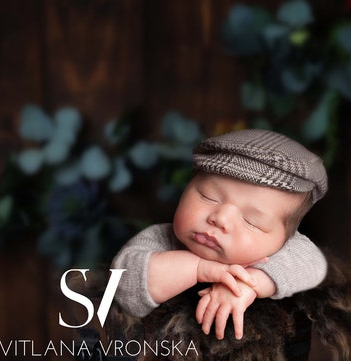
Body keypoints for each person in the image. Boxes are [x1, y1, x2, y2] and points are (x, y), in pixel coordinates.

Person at [111, 129, 328, 340]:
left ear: (284, 239)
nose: (220, 219)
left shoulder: (288, 250)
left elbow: (313, 263)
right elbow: (123, 285)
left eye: (251, 221)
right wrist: (199, 269)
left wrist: (247, 284)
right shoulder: (161, 238)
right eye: (208, 197)